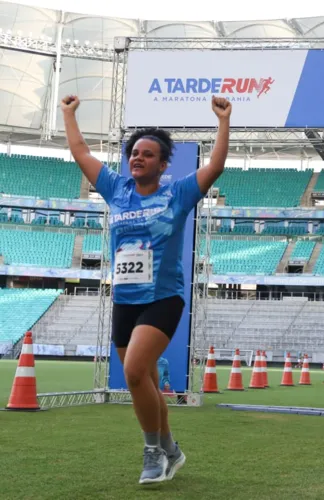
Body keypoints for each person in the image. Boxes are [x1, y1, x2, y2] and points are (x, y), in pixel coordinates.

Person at [62, 93, 231, 484]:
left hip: (163, 298)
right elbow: (79, 149)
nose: (137, 157)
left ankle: (153, 453)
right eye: (134, 152)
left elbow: (216, 166)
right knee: (149, 384)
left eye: (148, 154)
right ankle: (172, 449)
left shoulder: (178, 193)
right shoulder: (115, 189)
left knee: (136, 372)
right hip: (125, 300)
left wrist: (223, 122)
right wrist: (69, 113)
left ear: (163, 163)